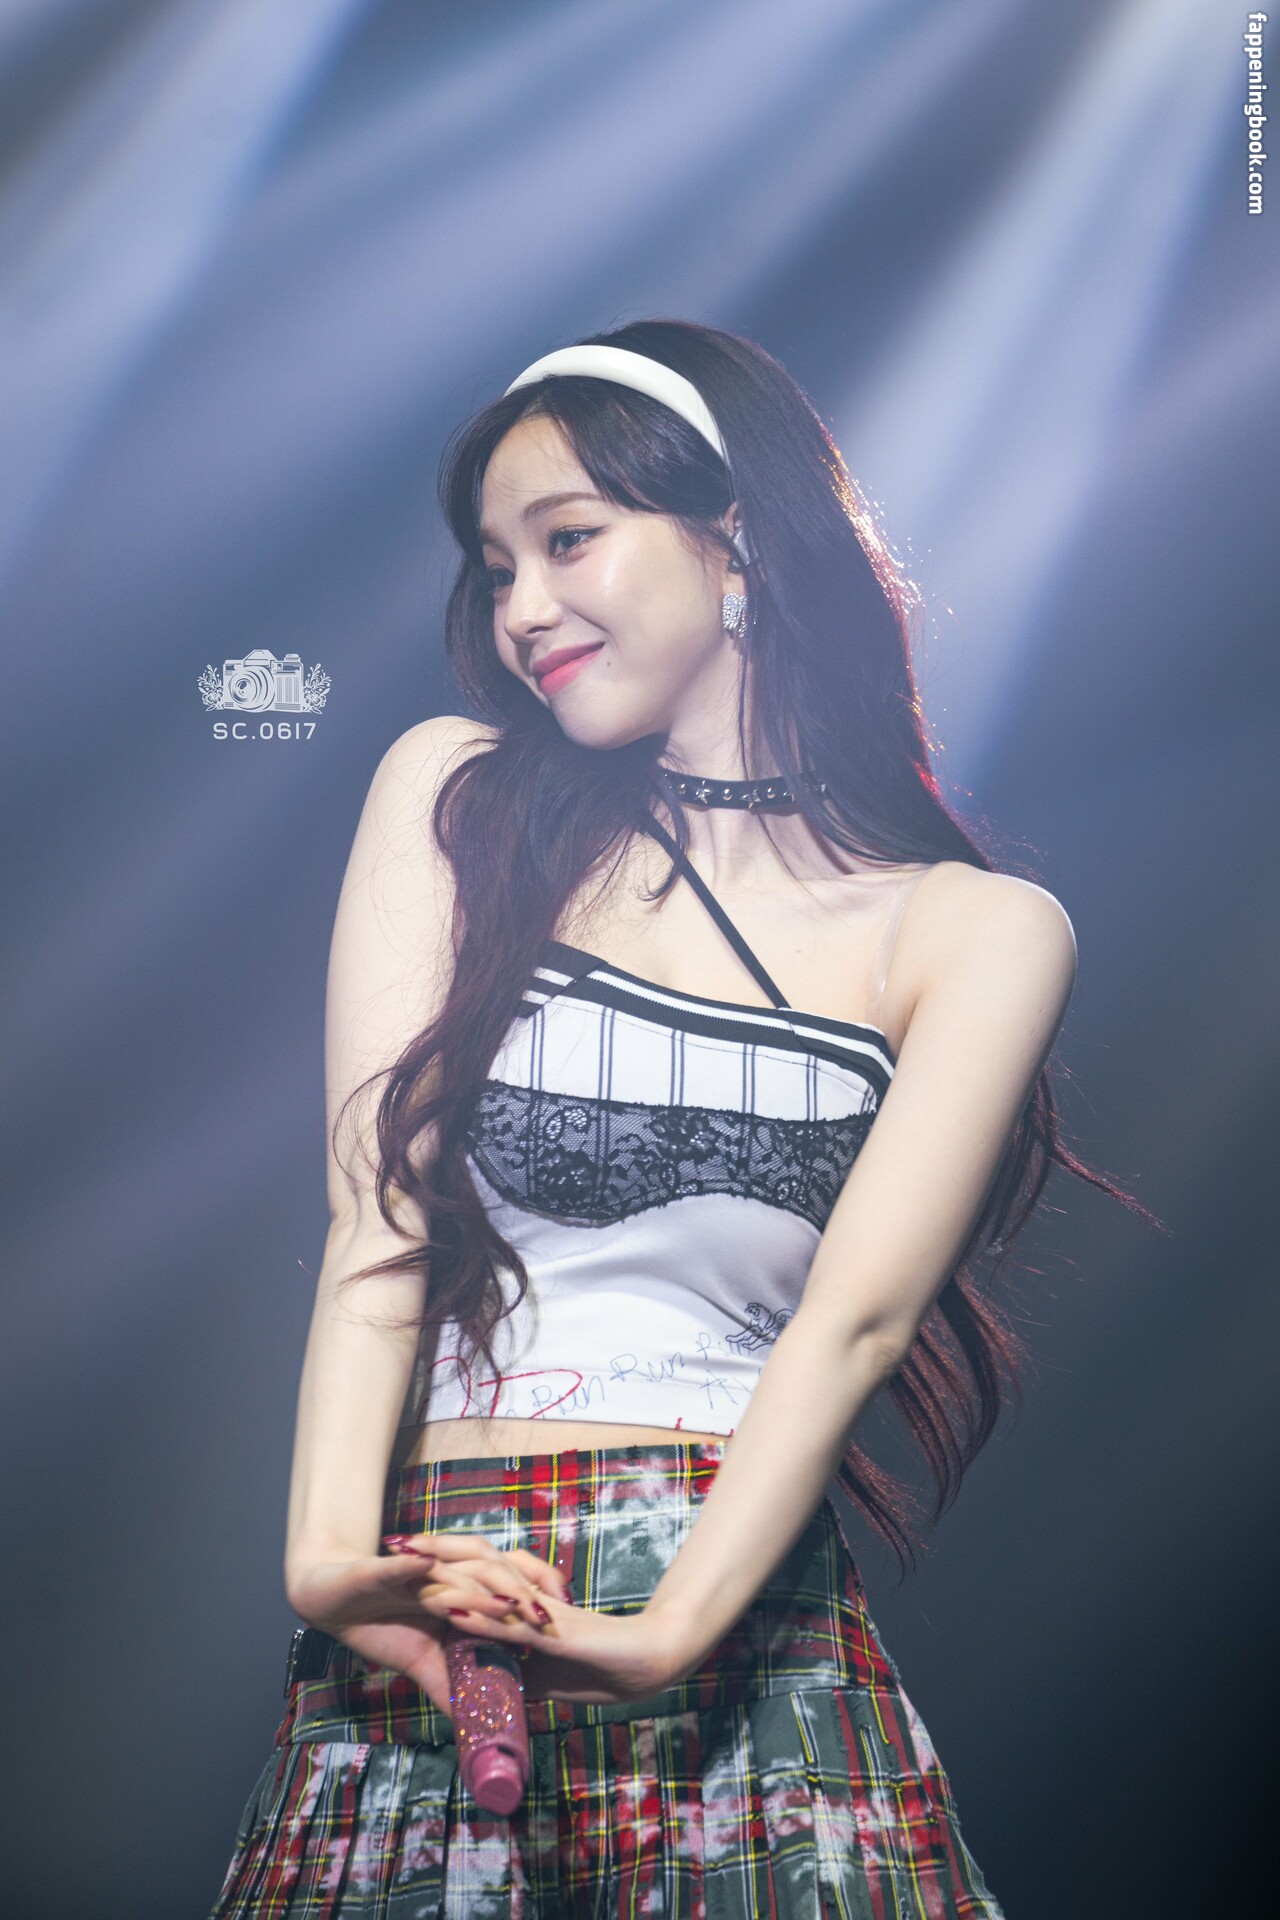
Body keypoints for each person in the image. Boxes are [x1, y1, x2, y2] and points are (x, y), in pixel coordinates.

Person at [210, 318, 1138, 1917]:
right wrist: (328, 1562)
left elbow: (853, 1327)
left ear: (739, 540)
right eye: (497, 567)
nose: (522, 609)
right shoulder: (456, 797)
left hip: (738, 1632)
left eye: (569, 539)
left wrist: (665, 1632)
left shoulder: (974, 932)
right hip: (445, 1611)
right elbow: (379, 1217)